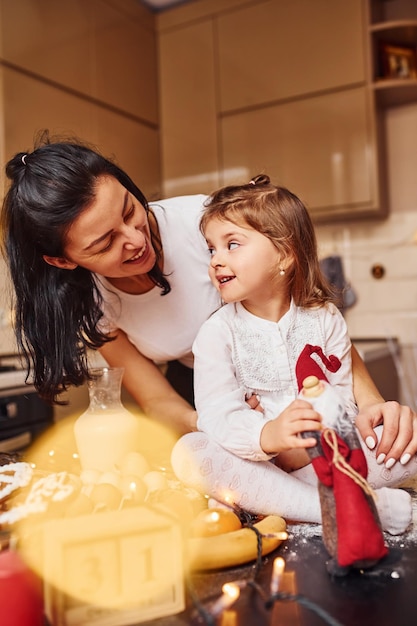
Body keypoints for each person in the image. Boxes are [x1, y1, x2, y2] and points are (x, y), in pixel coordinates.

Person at [1, 133, 416, 479]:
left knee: (378, 458)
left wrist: (374, 406)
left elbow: (314, 322)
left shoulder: (207, 225)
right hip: (202, 399)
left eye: (130, 210)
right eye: (105, 242)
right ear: (62, 260)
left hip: (296, 371)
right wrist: (233, 424)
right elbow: (159, 401)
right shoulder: (90, 306)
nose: (135, 238)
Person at [171, 175, 416, 535]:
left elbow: (344, 400)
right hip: (257, 461)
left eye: (232, 244)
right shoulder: (215, 335)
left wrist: (344, 431)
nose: (216, 261)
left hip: (323, 456)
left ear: (284, 254)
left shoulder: (326, 318)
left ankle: (276, 502)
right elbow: (217, 415)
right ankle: (361, 506)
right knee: (191, 452)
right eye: (212, 249)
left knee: (407, 443)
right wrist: (269, 437)